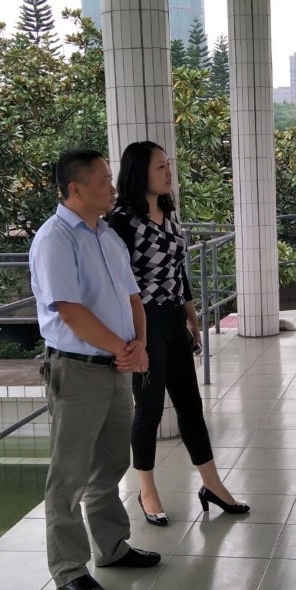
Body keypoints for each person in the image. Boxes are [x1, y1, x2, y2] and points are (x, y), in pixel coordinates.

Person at [28, 149, 162, 590]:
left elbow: (132, 297)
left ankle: (112, 546)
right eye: (104, 180)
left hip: (116, 366)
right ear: (76, 189)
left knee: (111, 464)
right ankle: (68, 568)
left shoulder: (106, 235)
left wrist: (139, 344)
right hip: (78, 370)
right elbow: (69, 310)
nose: (112, 187)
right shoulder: (55, 239)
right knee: (69, 475)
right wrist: (124, 350)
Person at [107, 140, 249, 524]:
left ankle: (212, 484)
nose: (169, 172)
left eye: (169, 165)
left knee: (190, 405)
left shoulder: (168, 212)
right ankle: (146, 491)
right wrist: (134, 338)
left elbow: (178, 270)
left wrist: (192, 316)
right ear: (139, 173)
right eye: (160, 166)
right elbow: (119, 285)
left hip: (172, 319)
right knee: (149, 409)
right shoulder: (121, 221)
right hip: (144, 323)